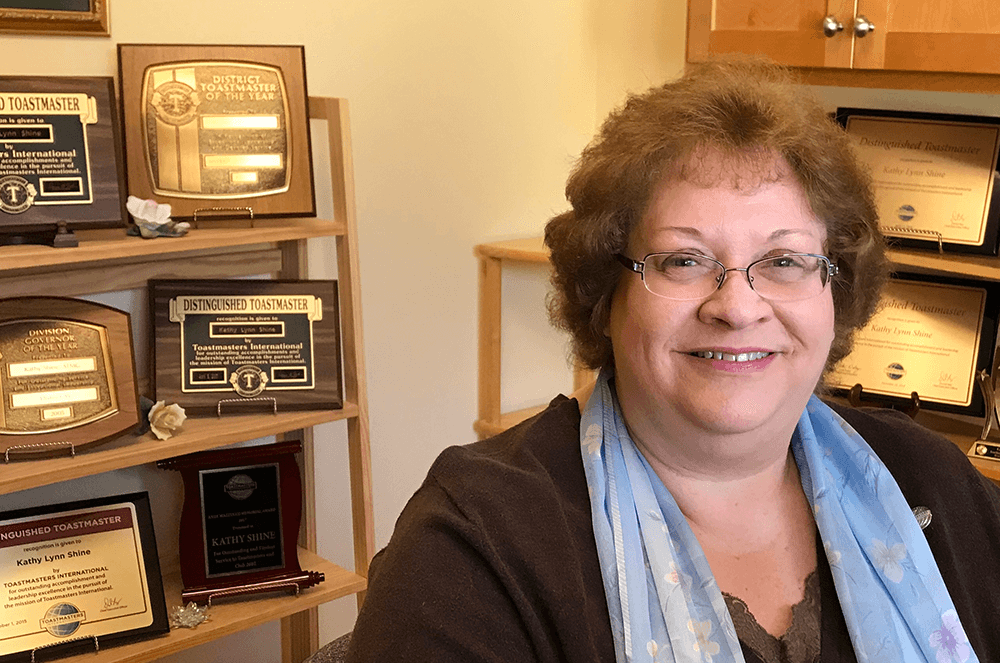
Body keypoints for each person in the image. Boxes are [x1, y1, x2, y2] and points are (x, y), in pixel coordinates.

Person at [346, 58, 1000, 663]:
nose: (737, 307)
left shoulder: (933, 480)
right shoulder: (475, 542)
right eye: (684, 259)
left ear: (836, 289)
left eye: (784, 261)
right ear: (608, 294)